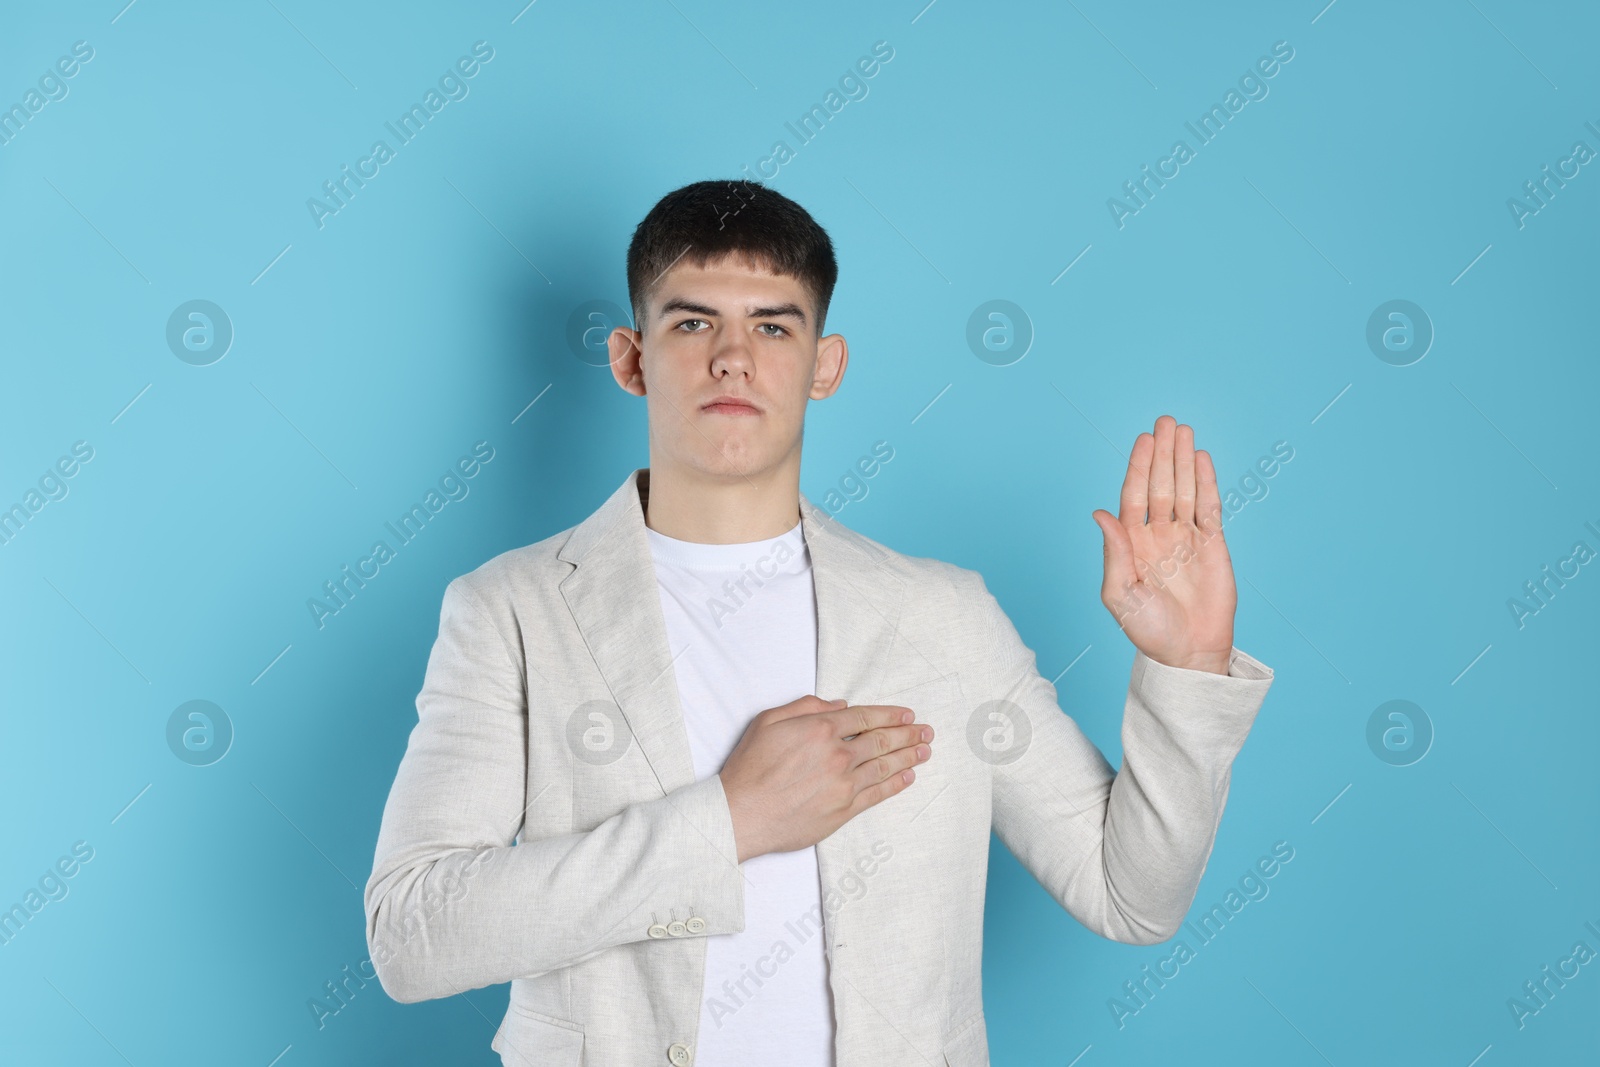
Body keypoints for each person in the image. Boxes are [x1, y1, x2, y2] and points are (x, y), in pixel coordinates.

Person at [363, 179, 1274, 1067]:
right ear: (631, 358)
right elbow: (412, 933)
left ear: (824, 365)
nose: (732, 356)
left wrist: (1187, 667)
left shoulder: (944, 617)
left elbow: (1132, 898)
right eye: (692, 322)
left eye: (771, 324)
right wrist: (727, 821)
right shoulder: (511, 610)